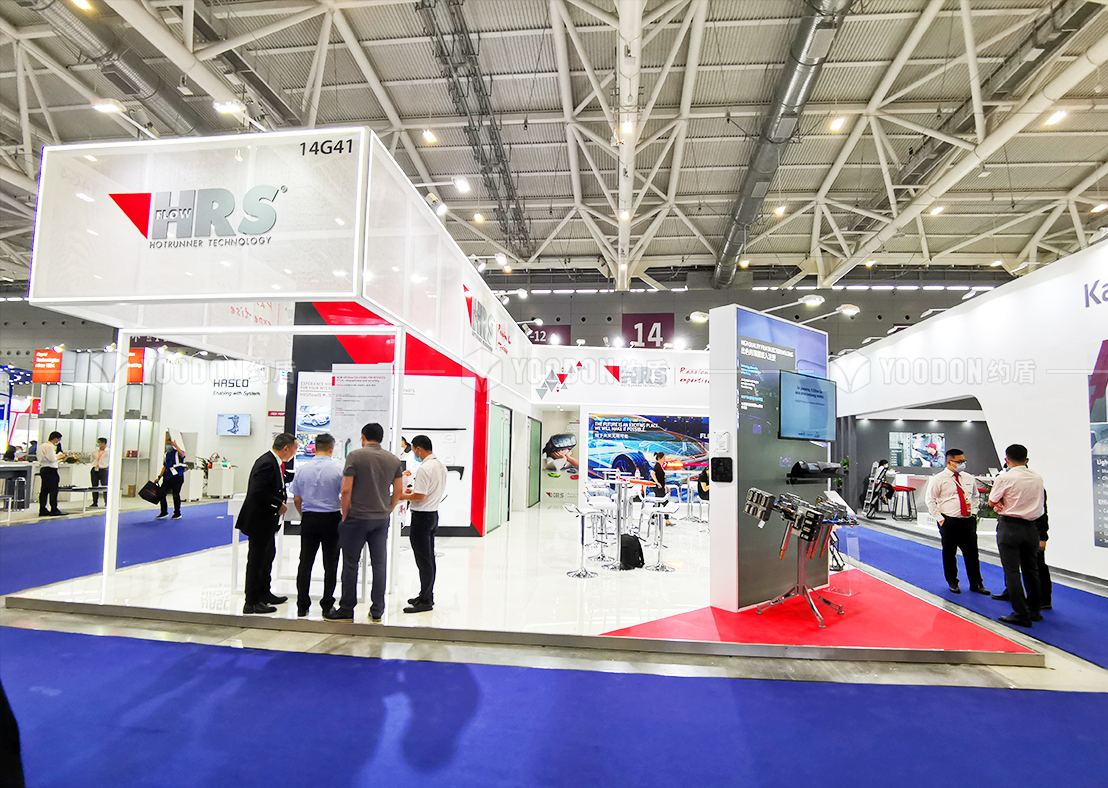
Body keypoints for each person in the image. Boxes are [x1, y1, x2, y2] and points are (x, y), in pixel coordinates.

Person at [325, 423, 404, 623]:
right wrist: (388, 509)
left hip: (357, 518)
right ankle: (377, 610)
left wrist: (345, 514)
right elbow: (398, 491)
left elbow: (346, 490)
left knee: (350, 564)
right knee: (379, 564)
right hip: (380, 519)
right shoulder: (393, 460)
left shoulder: (355, 456)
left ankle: (346, 609)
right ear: (381, 438)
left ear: (363, 437)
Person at [238, 433, 298, 615]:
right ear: (286, 448)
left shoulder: (274, 462)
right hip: (259, 520)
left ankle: (264, 593)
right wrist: (278, 504)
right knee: (257, 561)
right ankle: (252, 602)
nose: (294, 454)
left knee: (267, 557)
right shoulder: (266, 462)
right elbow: (258, 491)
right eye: (294, 450)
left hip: (267, 522)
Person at [989, 443, 1046, 628]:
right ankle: (1035, 611)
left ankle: (1021, 613)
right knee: (1031, 570)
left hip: (1010, 527)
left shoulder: (1005, 477)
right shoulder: (1037, 477)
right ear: (1026, 459)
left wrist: (1002, 504)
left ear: (1007, 460)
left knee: (1012, 571)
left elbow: (992, 501)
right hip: (1031, 528)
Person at [290, 433, 343, 618]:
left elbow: (297, 499)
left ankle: (302, 605)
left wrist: (304, 514)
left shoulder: (302, 470)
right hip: (331, 518)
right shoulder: (338, 469)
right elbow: (344, 494)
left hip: (309, 518)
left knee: (305, 562)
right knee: (331, 563)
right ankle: (327, 604)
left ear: (315, 447)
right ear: (331, 448)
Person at [925, 448, 989, 596]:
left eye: (964, 461)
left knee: (972, 554)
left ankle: (977, 583)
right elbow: (930, 500)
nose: (962, 464)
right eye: (959, 462)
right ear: (949, 462)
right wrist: (940, 519)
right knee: (949, 553)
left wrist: (973, 513)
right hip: (948, 521)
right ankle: (952, 582)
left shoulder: (968, 478)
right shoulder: (939, 479)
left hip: (967, 521)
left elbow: (975, 497)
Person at [398, 435, 447, 614]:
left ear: (418, 449)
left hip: (422, 518)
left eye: (413, 450)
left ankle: (426, 600)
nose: (414, 454)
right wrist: (412, 492)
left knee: (424, 561)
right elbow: (426, 491)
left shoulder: (425, 468)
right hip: (432, 515)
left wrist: (403, 495)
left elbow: (420, 496)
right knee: (428, 559)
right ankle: (425, 595)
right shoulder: (440, 466)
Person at [992, 491, 1052, 611]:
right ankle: (1012, 591)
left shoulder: (1035, 487)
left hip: (1032, 530)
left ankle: (1044, 599)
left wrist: (1042, 537)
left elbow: (1042, 513)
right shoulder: (1012, 488)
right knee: (1012, 564)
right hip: (1013, 528)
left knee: (1036, 566)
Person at [155, 433, 186, 520]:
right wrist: (159, 477)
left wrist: (176, 446)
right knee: (161, 493)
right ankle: (163, 512)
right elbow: (165, 466)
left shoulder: (177, 452)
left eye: (169, 441)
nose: (167, 443)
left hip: (177, 477)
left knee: (175, 494)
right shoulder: (167, 454)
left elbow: (183, 455)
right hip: (167, 476)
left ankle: (177, 513)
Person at [37, 432, 66, 517]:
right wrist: (60, 457)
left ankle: (42, 508)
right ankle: (54, 509)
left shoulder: (42, 446)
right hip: (51, 470)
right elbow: (52, 459)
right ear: (56, 439)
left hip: (43, 468)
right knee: (53, 490)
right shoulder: (50, 446)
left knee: (44, 490)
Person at [90, 437, 108, 507]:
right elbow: (92, 459)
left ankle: (106, 502)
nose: (99, 444)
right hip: (95, 468)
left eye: (100, 442)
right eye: (98, 443)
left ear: (104, 443)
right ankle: (94, 502)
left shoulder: (108, 451)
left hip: (104, 469)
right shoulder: (95, 451)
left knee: (104, 486)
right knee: (94, 486)